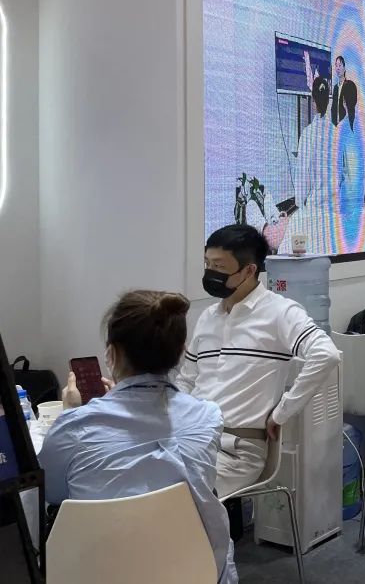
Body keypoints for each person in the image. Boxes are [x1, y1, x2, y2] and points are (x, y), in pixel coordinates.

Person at [40, 291, 237, 584]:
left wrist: (71, 412)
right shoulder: (208, 417)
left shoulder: (75, 426)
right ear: (181, 352)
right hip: (196, 571)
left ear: (112, 353)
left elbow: (51, 492)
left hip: (98, 574)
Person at [177, 225, 340, 498]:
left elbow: (326, 354)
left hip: (236, 450)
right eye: (207, 264)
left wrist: (282, 412)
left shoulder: (280, 312)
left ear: (249, 270)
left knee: (170, 498)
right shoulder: (208, 317)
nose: (211, 272)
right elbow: (186, 379)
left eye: (219, 266)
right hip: (191, 439)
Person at [293, 75, 337, 254]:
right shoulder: (337, 134)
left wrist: (300, 204)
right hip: (335, 213)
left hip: (314, 213)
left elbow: (302, 176)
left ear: (313, 102)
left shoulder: (307, 134)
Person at [331, 55, 358, 129]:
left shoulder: (350, 85)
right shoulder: (335, 88)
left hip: (347, 127)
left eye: (340, 65)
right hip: (336, 128)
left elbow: (351, 106)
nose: (338, 68)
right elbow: (333, 108)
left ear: (344, 68)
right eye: (336, 65)